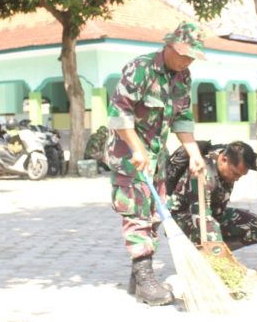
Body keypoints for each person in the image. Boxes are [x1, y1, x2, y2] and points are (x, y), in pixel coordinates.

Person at [107, 21, 208, 307]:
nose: (188, 61)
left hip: (156, 155)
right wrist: (136, 148)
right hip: (129, 154)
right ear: (170, 46)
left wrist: (194, 152)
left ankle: (138, 278)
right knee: (136, 212)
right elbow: (118, 113)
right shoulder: (141, 68)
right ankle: (144, 276)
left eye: (192, 57)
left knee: (155, 212)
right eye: (185, 55)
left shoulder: (183, 76)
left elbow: (182, 117)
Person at [167, 141, 257, 250]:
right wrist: (215, 242)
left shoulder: (227, 155)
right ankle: (214, 254)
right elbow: (200, 216)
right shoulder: (203, 173)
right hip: (185, 218)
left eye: (240, 176)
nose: (236, 179)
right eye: (235, 173)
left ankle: (219, 252)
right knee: (213, 238)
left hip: (214, 215)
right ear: (224, 160)